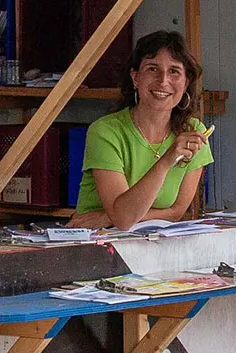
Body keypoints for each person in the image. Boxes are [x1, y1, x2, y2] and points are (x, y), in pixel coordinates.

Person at [72, 32, 213, 230]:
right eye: (152, 69)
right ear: (135, 77)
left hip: (151, 240)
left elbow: (176, 212)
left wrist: (108, 217)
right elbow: (123, 219)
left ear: (186, 83)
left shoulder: (193, 131)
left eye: (174, 71)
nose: (163, 81)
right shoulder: (105, 131)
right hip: (98, 241)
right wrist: (167, 160)